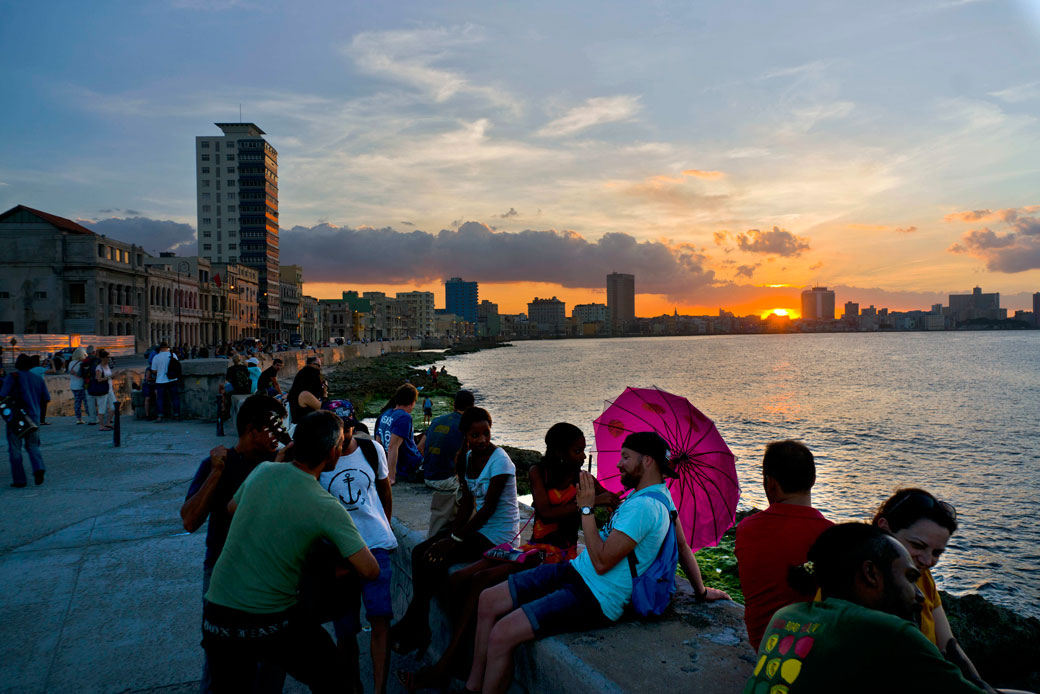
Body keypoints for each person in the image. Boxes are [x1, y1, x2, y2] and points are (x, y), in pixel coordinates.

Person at [465, 431, 729, 694]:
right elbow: (682, 546)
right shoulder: (659, 497)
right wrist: (701, 591)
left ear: (647, 461)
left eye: (626, 457)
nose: (619, 464)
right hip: (577, 572)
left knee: (502, 634)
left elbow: (602, 561)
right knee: (488, 600)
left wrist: (587, 509)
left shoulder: (645, 507)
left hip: (596, 596)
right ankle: (473, 685)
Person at [397, 422, 620, 692]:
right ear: (559, 452)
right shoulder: (539, 472)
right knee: (458, 580)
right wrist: (593, 502)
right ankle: (458, 652)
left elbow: (612, 502)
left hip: (557, 556)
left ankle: (448, 664)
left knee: (481, 580)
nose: (583, 457)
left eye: (583, 452)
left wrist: (609, 503)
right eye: (577, 451)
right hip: (533, 548)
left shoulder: (583, 480)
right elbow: (546, 512)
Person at [200, 411, 379, 693]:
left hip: (216, 616)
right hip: (269, 620)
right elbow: (370, 569)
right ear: (333, 453)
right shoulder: (325, 504)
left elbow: (232, 509)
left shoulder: (263, 470)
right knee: (338, 680)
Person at [744, 522, 987, 693]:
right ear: (871, 573)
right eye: (910, 578)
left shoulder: (786, 615)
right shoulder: (891, 631)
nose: (920, 595)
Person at [181, 394, 291, 693]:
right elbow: (190, 521)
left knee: (271, 665)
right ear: (252, 429)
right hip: (222, 577)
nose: (280, 434)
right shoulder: (217, 465)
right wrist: (216, 472)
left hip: (270, 580)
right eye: (274, 428)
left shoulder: (281, 463)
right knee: (220, 665)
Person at [390, 407, 519, 658]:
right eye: (475, 435)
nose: (481, 440)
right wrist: (452, 536)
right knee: (420, 552)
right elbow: (468, 505)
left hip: (499, 536)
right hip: (479, 529)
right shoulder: (468, 458)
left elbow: (488, 510)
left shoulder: (500, 460)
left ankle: (415, 625)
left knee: (438, 558)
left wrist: (454, 540)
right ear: (465, 436)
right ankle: (420, 626)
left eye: (486, 433)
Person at [873, 489, 1009, 693]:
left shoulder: (922, 577)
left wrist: (982, 688)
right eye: (917, 545)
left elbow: (949, 644)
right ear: (885, 527)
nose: (927, 561)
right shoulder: (857, 585)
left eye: (937, 553)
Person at [319, 400, 396, 694]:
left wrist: (382, 527)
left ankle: (379, 690)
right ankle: (353, 687)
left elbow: (384, 491)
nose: (346, 433)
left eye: (350, 426)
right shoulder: (320, 459)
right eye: (340, 429)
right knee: (345, 629)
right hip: (339, 553)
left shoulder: (371, 450)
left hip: (376, 546)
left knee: (379, 620)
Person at [735, 440, 834, 649]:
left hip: (762, 642)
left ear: (771, 483)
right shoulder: (833, 536)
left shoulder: (746, 529)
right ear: (813, 480)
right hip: (811, 647)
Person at [420, 390, 474, 537]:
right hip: (446, 480)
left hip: (427, 476)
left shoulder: (436, 420)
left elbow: (420, 447)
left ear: (454, 405)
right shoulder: (466, 426)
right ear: (472, 408)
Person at [1, 353, 50, 487]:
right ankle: (38, 467)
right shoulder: (38, 379)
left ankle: (20, 480)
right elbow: (46, 398)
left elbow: (3, 395)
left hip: (16, 419)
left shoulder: (12, 377)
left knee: (15, 448)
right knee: (33, 445)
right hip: (34, 417)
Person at [376, 384, 423, 484]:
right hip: (409, 464)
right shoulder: (404, 417)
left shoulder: (386, 414)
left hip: (398, 463)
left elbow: (378, 442)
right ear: (412, 402)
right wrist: (391, 477)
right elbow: (393, 447)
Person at [287, 356, 326, 425]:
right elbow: (324, 410)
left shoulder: (299, 380)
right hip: (306, 427)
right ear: (312, 364)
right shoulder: (305, 395)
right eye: (319, 366)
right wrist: (324, 391)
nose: (320, 368)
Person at [151, 341, 181, 422]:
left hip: (160, 380)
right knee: (175, 398)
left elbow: (153, 371)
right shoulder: (173, 355)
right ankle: (176, 415)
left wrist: (160, 371)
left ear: (160, 348)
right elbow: (177, 366)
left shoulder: (156, 357)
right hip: (172, 379)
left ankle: (160, 416)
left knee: (160, 399)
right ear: (167, 348)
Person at [90, 349, 116, 431]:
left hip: (109, 389)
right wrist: (110, 377)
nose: (109, 359)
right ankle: (101, 426)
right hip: (102, 390)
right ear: (103, 358)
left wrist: (112, 377)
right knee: (102, 408)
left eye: (109, 357)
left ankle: (108, 422)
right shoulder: (99, 368)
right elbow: (99, 379)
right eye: (107, 357)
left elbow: (108, 376)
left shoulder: (107, 366)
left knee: (114, 406)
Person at [68, 347, 93, 425]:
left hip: (73, 385)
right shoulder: (81, 363)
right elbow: (83, 375)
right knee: (86, 402)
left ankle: (79, 419)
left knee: (77, 402)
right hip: (81, 385)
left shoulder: (70, 363)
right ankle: (90, 417)